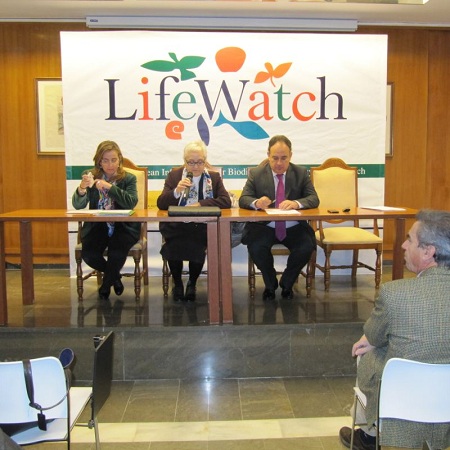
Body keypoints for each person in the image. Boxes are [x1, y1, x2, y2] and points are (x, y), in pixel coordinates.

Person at [339, 209, 450, 450]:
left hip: (403, 394)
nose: (402, 245)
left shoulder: (395, 293)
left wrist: (373, 340)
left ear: (429, 251)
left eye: (410, 240)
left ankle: (370, 433)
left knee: (369, 353)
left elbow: (374, 335)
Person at [239, 135, 319, 300]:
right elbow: (243, 199)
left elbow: (314, 199)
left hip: (293, 226)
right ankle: (270, 284)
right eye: (275, 158)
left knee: (306, 246)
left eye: (284, 158)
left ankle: (287, 283)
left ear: (291, 156)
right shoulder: (256, 173)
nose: (279, 163)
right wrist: (257, 202)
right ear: (268, 154)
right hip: (265, 226)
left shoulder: (301, 173)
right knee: (256, 247)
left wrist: (297, 203)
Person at [157, 140, 231, 301]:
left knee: (197, 243)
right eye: (191, 162)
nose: (195, 166)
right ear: (184, 161)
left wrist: (201, 204)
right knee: (173, 244)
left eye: (200, 162)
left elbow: (226, 201)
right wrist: (176, 191)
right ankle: (177, 284)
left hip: (201, 226)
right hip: (176, 225)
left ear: (205, 161)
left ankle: (192, 283)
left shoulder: (213, 177)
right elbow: (161, 203)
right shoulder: (174, 175)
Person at [72, 140, 140, 300]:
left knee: (117, 252)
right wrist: (82, 188)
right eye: (105, 160)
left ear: (119, 160)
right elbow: (78, 205)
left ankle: (104, 286)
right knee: (89, 254)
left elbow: (131, 202)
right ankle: (114, 278)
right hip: (97, 226)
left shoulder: (128, 178)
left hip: (123, 226)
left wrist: (109, 187)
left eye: (114, 160)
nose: (110, 164)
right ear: (99, 162)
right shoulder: (91, 176)